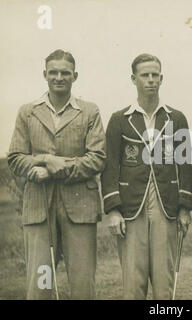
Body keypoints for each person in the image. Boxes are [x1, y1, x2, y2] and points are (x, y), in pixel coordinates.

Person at [8, 49, 106, 299]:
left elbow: (97, 159)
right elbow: (16, 158)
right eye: (53, 72)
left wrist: (54, 170)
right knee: (40, 283)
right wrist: (43, 159)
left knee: (83, 285)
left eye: (65, 72)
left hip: (80, 207)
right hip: (38, 206)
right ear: (45, 75)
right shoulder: (27, 111)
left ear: (75, 75)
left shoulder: (89, 111)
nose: (59, 77)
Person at [101, 54, 192, 300]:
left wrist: (184, 208)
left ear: (161, 79)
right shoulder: (120, 120)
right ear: (134, 79)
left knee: (165, 282)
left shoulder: (176, 118)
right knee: (133, 282)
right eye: (145, 75)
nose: (151, 80)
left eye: (155, 75)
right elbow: (110, 166)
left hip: (166, 205)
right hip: (131, 207)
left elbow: (184, 166)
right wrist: (113, 210)